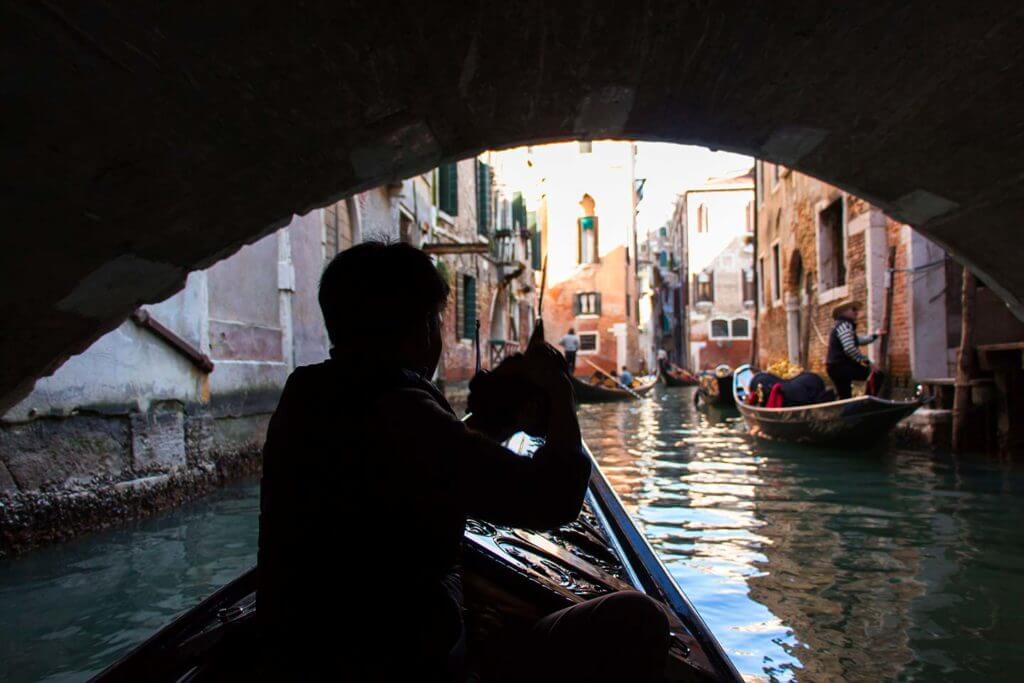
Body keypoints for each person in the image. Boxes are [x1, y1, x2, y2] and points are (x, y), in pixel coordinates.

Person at [257, 242, 668, 682]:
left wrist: (492, 420)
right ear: (418, 329)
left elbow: (422, 462)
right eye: (435, 318)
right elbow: (553, 499)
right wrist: (561, 398)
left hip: (301, 650)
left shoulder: (306, 393)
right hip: (400, 661)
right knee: (638, 616)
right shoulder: (403, 411)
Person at [826, 299, 883, 399]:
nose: (857, 312)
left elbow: (856, 340)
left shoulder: (841, 325)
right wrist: (867, 362)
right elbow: (849, 348)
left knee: (845, 396)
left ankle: (846, 411)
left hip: (834, 367)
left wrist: (874, 336)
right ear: (844, 311)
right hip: (840, 366)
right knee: (876, 374)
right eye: (853, 309)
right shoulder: (845, 325)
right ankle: (867, 403)